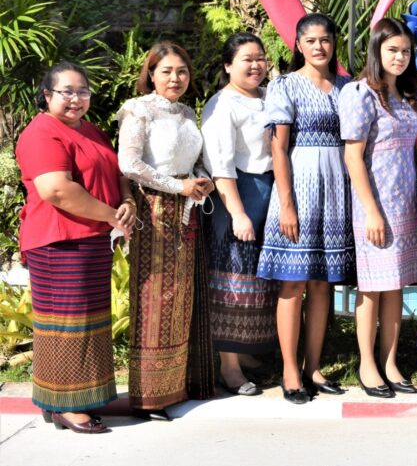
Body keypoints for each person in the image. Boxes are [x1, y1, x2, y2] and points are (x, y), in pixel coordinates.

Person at [15, 63, 136, 434]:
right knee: (66, 324)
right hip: (59, 241)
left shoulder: (90, 129)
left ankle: (70, 399)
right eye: (66, 91)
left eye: (82, 91)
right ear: (47, 95)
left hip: (90, 238)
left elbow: (117, 171)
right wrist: (113, 216)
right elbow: (57, 190)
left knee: (89, 322)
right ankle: (65, 406)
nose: (76, 99)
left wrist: (127, 201)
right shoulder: (42, 133)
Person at [257, 13, 354, 404]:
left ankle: (313, 366)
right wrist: (287, 204)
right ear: (298, 45)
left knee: (321, 283)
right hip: (299, 190)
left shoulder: (347, 87)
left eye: (325, 39)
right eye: (310, 40)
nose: (318, 47)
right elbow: (278, 148)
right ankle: (290, 370)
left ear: (334, 43)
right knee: (293, 282)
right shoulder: (285, 85)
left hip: (336, 191)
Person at [117, 42, 216, 421]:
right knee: (154, 298)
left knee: (181, 298)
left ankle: (176, 385)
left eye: (182, 71)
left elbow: (193, 160)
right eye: (167, 71)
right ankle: (148, 395)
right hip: (153, 210)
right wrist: (178, 186)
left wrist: (200, 180)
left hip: (186, 211)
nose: (175, 78)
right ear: (151, 74)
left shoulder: (187, 112)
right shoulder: (138, 109)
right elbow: (129, 163)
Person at [340, 18, 417, 398]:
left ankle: (390, 362)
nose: (400, 57)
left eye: (405, 51)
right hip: (374, 205)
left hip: (404, 205)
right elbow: (353, 157)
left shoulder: (407, 96)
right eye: (392, 50)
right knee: (373, 287)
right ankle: (367, 364)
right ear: (377, 50)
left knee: (395, 285)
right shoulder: (361, 93)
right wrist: (371, 210)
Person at [201, 33, 278, 396]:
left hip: (269, 192)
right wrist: (237, 213)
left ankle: (245, 351)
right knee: (232, 280)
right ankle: (228, 367)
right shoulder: (222, 104)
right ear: (228, 65)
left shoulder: (270, 96)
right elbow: (220, 165)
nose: (255, 65)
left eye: (260, 58)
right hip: (238, 194)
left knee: (257, 280)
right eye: (246, 59)